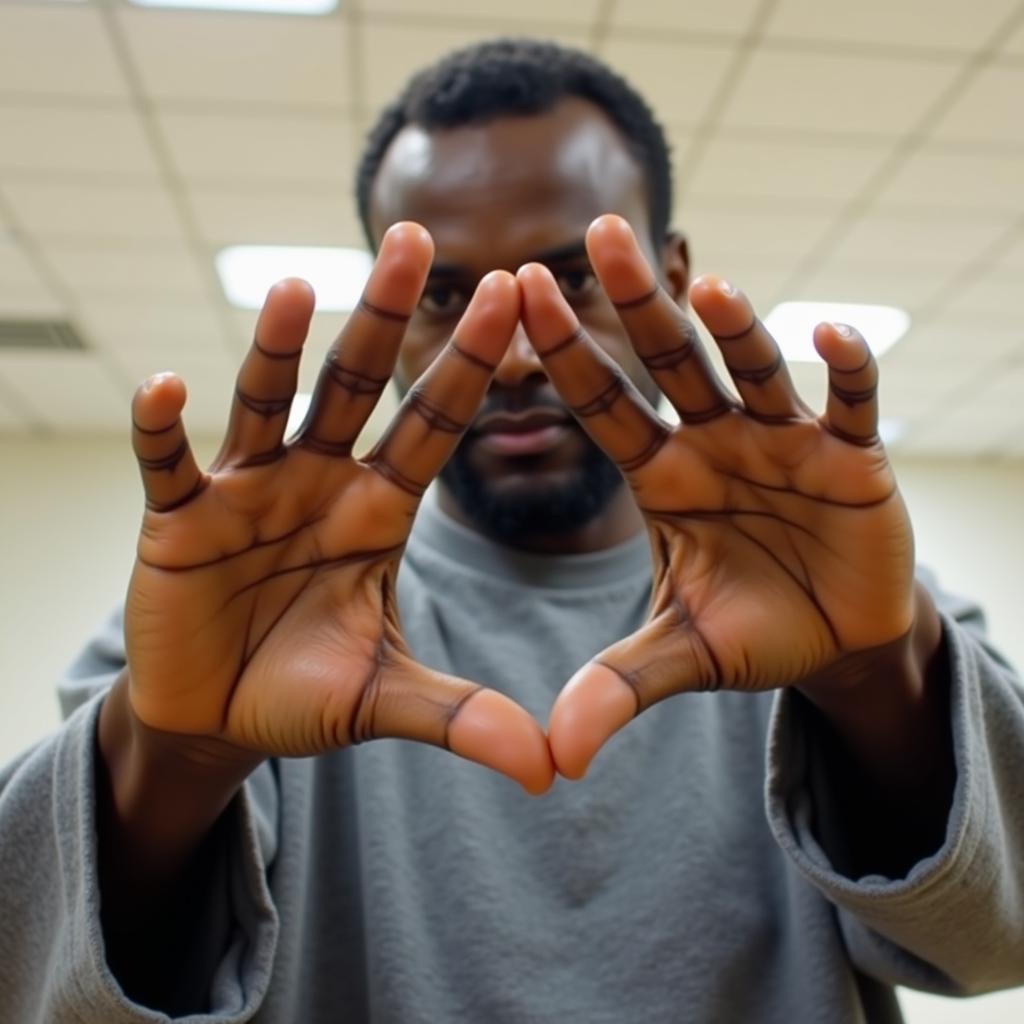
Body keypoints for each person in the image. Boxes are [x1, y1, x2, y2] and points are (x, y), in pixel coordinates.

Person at [1, 37, 1022, 1024]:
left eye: (568, 281)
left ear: (666, 269)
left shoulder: (860, 605)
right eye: (443, 295)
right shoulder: (233, 629)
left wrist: (873, 675)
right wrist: (173, 759)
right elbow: (48, 989)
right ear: (386, 311)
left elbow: (989, 945)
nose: (514, 357)